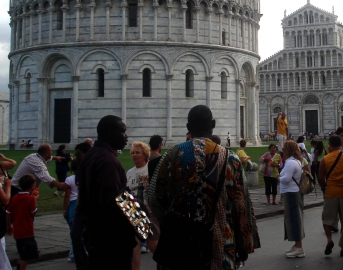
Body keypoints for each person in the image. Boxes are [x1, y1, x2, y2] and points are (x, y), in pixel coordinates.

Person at [151, 105, 260, 269]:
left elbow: (155, 198)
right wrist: (245, 244)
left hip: (180, 244)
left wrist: (168, 220)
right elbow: (242, 203)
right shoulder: (231, 159)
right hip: (222, 244)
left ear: (188, 127)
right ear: (213, 124)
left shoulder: (172, 155)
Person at [78, 115, 135, 269]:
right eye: (123, 132)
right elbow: (114, 202)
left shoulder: (92, 155)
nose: (126, 136)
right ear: (110, 132)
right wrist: (143, 226)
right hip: (112, 242)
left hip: (96, 237)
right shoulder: (107, 161)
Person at [6, 174, 39, 270]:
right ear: (32, 186)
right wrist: (35, 200)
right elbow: (33, 213)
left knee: (22, 253)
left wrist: (8, 225)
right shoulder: (30, 198)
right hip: (27, 232)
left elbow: (8, 211)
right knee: (26, 256)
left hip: (17, 231)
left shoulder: (15, 197)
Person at [318, 134, 343, 257]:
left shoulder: (326, 159)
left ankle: (329, 239)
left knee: (327, 219)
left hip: (330, 192)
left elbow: (320, 177)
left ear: (330, 145)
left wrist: (324, 188)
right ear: (341, 144)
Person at [280, 140, 305, 258]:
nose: (282, 151)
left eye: (284, 149)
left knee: (294, 220)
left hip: (291, 193)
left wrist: (278, 177)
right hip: (292, 192)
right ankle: (297, 245)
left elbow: (286, 179)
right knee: (293, 219)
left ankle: (299, 247)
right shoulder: (294, 161)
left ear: (289, 150)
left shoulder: (290, 163)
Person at [127, 142, 151, 267]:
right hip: (134, 212)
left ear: (145, 155)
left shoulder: (150, 169)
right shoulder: (129, 173)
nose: (134, 155)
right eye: (133, 153)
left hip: (149, 212)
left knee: (153, 244)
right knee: (134, 245)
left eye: (137, 152)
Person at [70, 142, 92, 270]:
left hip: (92, 209)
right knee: (76, 234)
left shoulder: (102, 164)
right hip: (81, 208)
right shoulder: (81, 168)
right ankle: (82, 264)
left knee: (87, 237)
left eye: (78, 154)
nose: (76, 157)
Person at [63, 159, 79, 263]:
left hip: (73, 205)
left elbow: (67, 195)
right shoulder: (86, 177)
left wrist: (64, 208)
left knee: (73, 232)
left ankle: (73, 254)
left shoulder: (69, 179)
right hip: (83, 204)